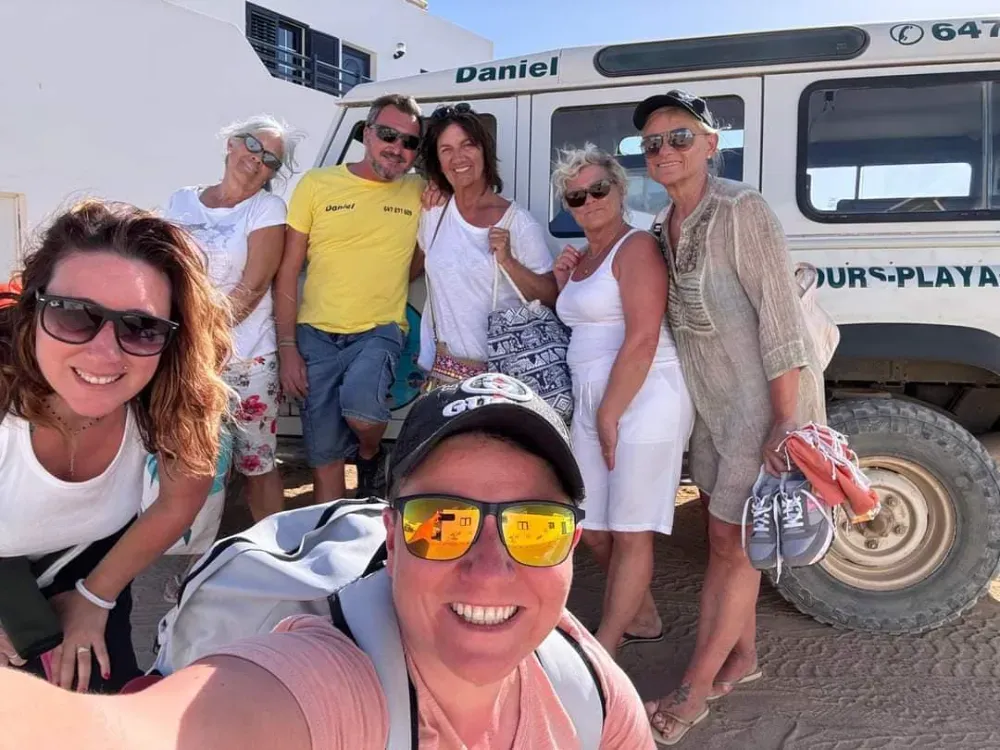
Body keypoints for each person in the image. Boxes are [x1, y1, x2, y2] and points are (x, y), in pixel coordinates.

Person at [0, 373, 657, 749]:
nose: (489, 568)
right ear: (391, 540)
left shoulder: (590, 691)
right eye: (443, 523)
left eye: (533, 527)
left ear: (570, 549)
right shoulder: (334, 680)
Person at [633, 90, 825, 744]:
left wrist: (784, 420)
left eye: (679, 137)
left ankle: (692, 692)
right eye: (652, 143)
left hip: (763, 408)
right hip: (713, 411)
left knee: (731, 548)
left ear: (711, 145)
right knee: (729, 542)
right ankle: (741, 659)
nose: (664, 151)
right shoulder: (663, 226)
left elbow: (780, 318)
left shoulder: (741, 210)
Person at [0, 199, 232, 693]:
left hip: (89, 562)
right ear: (32, 308)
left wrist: (95, 598)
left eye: (141, 327)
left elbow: (180, 499)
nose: (105, 352)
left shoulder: (167, 395)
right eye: (73, 315)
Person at [550, 144, 694, 659]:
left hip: (644, 393)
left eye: (597, 190)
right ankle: (644, 615)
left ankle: (605, 648)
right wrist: (566, 283)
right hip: (594, 399)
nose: (587, 201)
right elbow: (578, 317)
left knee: (633, 528)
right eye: (575, 195)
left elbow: (642, 338)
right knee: (591, 524)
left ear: (619, 188)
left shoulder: (636, 248)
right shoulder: (585, 258)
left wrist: (610, 411)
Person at [274, 93, 424, 501]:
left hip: (379, 329)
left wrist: (389, 276)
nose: (397, 148)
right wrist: (287, 346)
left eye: (410, 142)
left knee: (363, 413)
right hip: (314, 335)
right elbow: (288, 269)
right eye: (389, 135)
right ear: (367, 132)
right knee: (323, 455)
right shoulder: (317, 184)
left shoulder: (420, 192)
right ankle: (332, 543)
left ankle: (371, 453)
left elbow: (427, 254)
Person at [165, 114, 301, 522]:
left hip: (245, 360)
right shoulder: (180, 201)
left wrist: (201, 341)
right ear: (230, 145)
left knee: (256, 463)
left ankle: (270, 553)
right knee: (190, 459)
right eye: (252, 146)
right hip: (183, 354)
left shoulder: (267, 208)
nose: (258, 159)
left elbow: (254, 285)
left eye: (271, 160)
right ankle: (189, 554)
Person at [414, 102, 557, 387]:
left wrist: (508, 262)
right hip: (444, 374)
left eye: (468, 145)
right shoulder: (433, 213)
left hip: (504, 379)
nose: (458, 157)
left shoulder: (519, 223)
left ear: (484, 152)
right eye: (447, 149)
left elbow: (552, 297)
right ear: (438, 163)